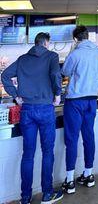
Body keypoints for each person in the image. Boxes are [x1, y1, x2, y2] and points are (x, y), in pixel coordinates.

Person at [1, 32, 63, 204]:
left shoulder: (22, 59)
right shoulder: (52, 56)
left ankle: (25, 198)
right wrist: (58, 94)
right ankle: (47, 195)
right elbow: (56, 75)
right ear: (46, 43)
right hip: (45, 109)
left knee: (27, 155)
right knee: (47, 152)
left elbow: (4, 76)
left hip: (27, 110)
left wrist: (15, 96)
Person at [61, 25, 98, 194]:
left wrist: (72, 51)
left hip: (75, 101)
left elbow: (65, 71)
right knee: (89, 136)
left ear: (75, 39)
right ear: (88, 36)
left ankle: (69, 180)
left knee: (71, 139)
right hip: (91, 100)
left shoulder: (75, 53)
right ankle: (88, 175)